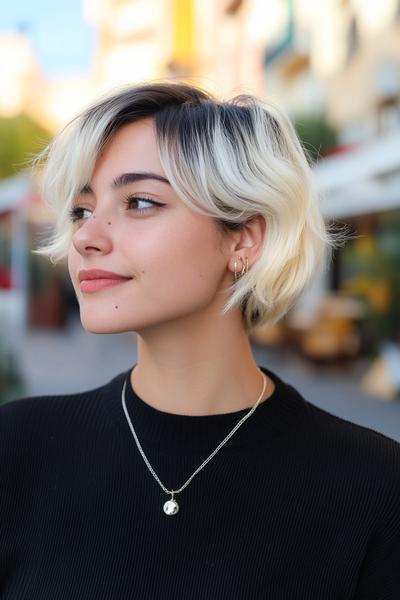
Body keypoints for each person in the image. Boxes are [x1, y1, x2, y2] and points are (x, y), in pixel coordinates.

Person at [1, 81, 399, 599]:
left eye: (139, 202)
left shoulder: (374, 489)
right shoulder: (18, 448)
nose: (85, 237)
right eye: (81, 209)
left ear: (244, 237)